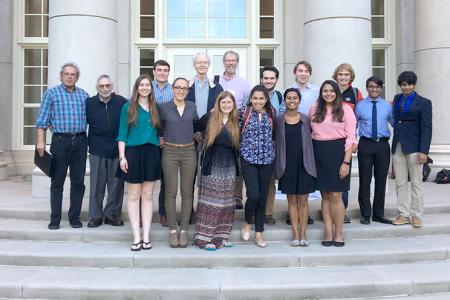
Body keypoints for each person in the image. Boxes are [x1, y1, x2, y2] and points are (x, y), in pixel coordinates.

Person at [36, 62, 89, 230]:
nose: (69, 76)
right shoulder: (51, 94)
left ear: (77, 77)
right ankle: (55, 218)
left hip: (80, 141)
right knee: (57, 182)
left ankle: (74, 217)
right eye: (66, 74)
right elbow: (42, 120)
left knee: (78, 181)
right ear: (61, 76)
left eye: (73, 74)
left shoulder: (84, 95)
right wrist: (41, 141)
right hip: (60, 142)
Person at [309, 80, 356, 247]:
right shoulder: (314, 108)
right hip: (318, 152)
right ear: (321, 93)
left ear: (337, 92)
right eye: (325, 91)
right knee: (325, 195)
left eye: (331, 91)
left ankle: (339, 233)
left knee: (336, 195)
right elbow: (310, 131)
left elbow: (351, 138)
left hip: (338, 153)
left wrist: (346, 162)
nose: (328, 93)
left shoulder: (346, 110)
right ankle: (328, 233)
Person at [117, 74, 161, 251]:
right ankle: (136, 236)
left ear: (151, 88)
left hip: (151, 152)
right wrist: (122, 157)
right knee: (134, 195)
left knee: (148, 195)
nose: (145, 87)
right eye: (141, 85)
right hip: (133, 153)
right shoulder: (128, 107)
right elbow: (121, 134)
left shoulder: (155, 107)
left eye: (147, 85)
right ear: (137, 87)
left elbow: (160, 131)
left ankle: (146, 236)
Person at [193, 91, 240, 251]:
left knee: (227, 202)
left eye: (229, 102)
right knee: (211, 202)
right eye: (223, 102)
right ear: (218, 104)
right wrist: (200, 136)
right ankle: (204, 238)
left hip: (229, 167)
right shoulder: (210, 119)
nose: (226, 105)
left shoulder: (236, 121)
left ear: (233, 105)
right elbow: (195, 126)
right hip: (212, 166)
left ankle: (222, 236)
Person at [159, 77, 199, 248]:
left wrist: (199, 135)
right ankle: (172, 230)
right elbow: (157, 126)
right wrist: (160, 138)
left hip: (189, 151)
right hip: (170, 151)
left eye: (184, 88)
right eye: (177, 87)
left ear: (188, 91)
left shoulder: (192, 107)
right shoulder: (163, 107)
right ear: (173, 89)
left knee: (187, 192)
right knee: (170, 192)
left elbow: (197, 126)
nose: (181, 91)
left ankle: (184, 230)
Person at [274, 88, 316, 247]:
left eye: (295, 98)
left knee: (303, 201)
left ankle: (304, 234)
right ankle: (295, 234)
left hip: (304, 164)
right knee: (291, 201)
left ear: (299, 100)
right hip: (287, 165)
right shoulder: (278, 120)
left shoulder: (306, 119)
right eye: (289, 98)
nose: (292, 101)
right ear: (285, 100)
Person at [186, 52, 224, 224]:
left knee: (207, 176)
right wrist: (195, 130)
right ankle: (189, 212)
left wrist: (204, 130)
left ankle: (206, 210)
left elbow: (218, 112)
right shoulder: (186, 86)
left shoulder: (217, 87)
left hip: (211, 135)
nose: (202, 65)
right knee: (190, 176)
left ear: (209, 65)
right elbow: (184, 111)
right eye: (199, 62)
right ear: (194, 65)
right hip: (189, 136)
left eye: (205, 62)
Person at [391, 71, 432, 228]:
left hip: (415, 147)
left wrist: (424, 151)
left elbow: (427, 128)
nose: (405, 87)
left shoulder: (424, 102)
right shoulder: (397, 99)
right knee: (400, 182)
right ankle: (403, 213)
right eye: (403, 84)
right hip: (398, 145)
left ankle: (416, 214)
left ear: (414, 85)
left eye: (408, 84)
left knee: (416, 182)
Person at [280, 60, 319, 226]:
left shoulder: (317, 91)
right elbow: (282, 111)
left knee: (306, 175)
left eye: (306, 71)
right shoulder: (288, 91)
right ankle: (292, 214)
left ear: (309, 73)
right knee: (291, 178)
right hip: (291, 131)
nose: (303, 74)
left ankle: (304, 215)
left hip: (309, 134)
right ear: (295, 72)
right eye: (300, 71)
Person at [86, 75, 127, 228]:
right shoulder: (89, 103)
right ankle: (95, 216)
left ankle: (112, 214)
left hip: (117, 150)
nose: (105, 89)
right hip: (97, 149)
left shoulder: (122, 102)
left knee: (116, 185)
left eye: (107, 85)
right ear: (97, 87)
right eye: (102, 86)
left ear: (112, 86)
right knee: (96, 184)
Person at [240, 85, 276, 248]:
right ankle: (247, 222)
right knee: (253, 195)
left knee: (262, 197)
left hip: (267, 159)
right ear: (250, 99)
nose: (258, 101)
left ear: (266, 99)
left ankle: (259, 233)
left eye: (261, 98)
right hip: (248, 158)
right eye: (255, 98)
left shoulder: (272, 113)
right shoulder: (244, 112)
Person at [355, 76, 393, 225]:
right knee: (364, 180)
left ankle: (378, 213)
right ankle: (365, 214)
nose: (374, 89)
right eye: (371, 86)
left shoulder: (387, 106)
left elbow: (395, 123)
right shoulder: (360, 106)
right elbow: (354, 124)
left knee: (381, 180)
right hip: (365, 144)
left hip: (382, 145)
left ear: (381, 88)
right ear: (367, 88)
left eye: (377, 87)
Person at [218, 50, 251, 210]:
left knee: (237, 163)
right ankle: (223, 195)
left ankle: (237, 197)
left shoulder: (244, 83)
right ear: (224, 62)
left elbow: (247, 106)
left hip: (237, 127)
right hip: (219, 127)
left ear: (237, 62)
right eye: (228, 60)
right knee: (222, 161)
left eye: (234, 60)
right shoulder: (215, 82)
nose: (231, 63)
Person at [332, 63, 363, 224]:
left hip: (347, 140)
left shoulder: (356, 93)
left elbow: (358, 119)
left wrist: (354, 139)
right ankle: (331, 209)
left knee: (343, 176)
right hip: (331, 140)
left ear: (351, 77)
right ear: (336, 76)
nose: (343, 77)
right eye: (340, 74)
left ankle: (341, 212)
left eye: (346, 74)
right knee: (331, 178)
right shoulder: (331, 90)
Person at [260, 66, 283, 225]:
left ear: (276, 80)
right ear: (261, 79)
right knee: (256, 183)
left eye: (272, 78)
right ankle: (256, 211)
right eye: (266, 78)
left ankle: (267, 213)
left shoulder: (280, 96)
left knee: (269, 181)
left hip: (274, 144)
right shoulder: (254, 95)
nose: (268, 81)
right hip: (256, 145)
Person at [152, 60, 173, 227]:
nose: (162, 73)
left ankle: (163, 212)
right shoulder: (145, 87)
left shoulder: (173, 90)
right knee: (147, 179)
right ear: (154, 72)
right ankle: (141, 212)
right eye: (159, 70)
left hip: (167, 139)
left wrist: (164, 136)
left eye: (165, 70)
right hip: (149, 138)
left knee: (167, 180)